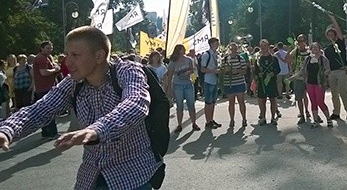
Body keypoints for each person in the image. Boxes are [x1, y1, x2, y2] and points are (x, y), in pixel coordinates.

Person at [0, 26, 161, 189]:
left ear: (99, 56)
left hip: (134, 177)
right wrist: (7, 130)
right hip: (90, 177)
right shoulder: (73, 82)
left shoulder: (128, 70)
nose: (67, 62)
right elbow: (41, 108)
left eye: (75, 55)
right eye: (67, 54)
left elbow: (135, 103)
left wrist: (96, 130)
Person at [324, 14, 347, 121]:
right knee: (334, 94)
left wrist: (333, 19)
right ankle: (336, 112)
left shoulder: (340, 43)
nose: (331, 35)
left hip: (341, 70)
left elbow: (339, 31)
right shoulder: (327, 49)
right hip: (331, 72)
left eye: (332, 33)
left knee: (343, 92)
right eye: (329, 34)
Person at [166, 44, 200, 132]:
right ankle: (179, 124)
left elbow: (192, 69)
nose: (183, 51)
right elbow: (169, 75)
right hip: (178, 85)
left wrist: (188, 72)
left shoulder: (188, 59)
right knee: (179, 105)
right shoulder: (173, 62)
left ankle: (194, 123)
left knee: (191, 104)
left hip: (188, 84)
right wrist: (169, 87)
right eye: (181, 49)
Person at [32, 41, 61, 139]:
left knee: (44, 111)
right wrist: (55, 70)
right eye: (48, 48)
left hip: (48, 87)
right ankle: (52, 133)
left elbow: (54, 66)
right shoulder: (40, 58)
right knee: (49, 110)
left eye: (51, 48)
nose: (50, 50)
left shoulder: (48, 57)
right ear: (42, 48)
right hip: (44, 88)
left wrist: (55, 67)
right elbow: (43, 72)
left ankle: (46, 133)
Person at [300, 42, 333, 128]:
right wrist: (293, 77)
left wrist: (322, 73)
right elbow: (303, 70)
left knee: (320, 102)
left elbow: (328, 69)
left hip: (319, 83)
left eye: (316, 48)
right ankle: (315, 120)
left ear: (319, 49)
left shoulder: (323, 59)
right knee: (313, 102)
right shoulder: (307, 59)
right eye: (313, 48)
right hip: (310, 83)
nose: (314, 49)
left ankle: (328, 119)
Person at [254, 39, 281, 125]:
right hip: (262, 83)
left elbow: (278, 69)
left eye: (265, 46)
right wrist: (258, 75)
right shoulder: (258, 59)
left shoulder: (274, 58)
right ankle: (263, 117)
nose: (263, 48)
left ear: (268, 47)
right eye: (261, 46)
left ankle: (273, 118)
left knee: (273, 100)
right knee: (262, 100)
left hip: (271, 82)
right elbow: (255, 71)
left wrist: (272, 74)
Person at [221, 42, 249, 128]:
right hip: (229, 83)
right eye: (231, 49)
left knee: (241, 101)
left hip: (239, 82)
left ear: (237, 50)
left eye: (234, 49)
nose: (233, 51)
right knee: (231, 102)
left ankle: (244, 119)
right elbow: (221, 70)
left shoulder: (240, 59)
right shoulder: (225, 59)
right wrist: (226, 70)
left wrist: (237, 71)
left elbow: (245, 71)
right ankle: (232, 119)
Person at [288, 34, 312, 124]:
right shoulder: (296, 51)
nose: (301, 43)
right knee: (299, 97)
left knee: (308, 96)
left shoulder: (310, 50)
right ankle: (301, 115)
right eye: (299, 41)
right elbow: (287, 60)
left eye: (302, 41)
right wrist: (290, 49)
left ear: (305, 41)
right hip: (298, 76)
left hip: (309, 76)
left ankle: (308, 111)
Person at [200, 37, 222, 129]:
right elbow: (202, 69)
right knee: (208, 102)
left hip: (214, 80)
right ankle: (208, 121)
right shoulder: (206, 55)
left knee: (213, 102)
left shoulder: (216, 54)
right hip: (208, 80)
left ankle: (211, 119)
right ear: (211, 44)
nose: (217, 45)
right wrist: (214, 71)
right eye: (216, 43)